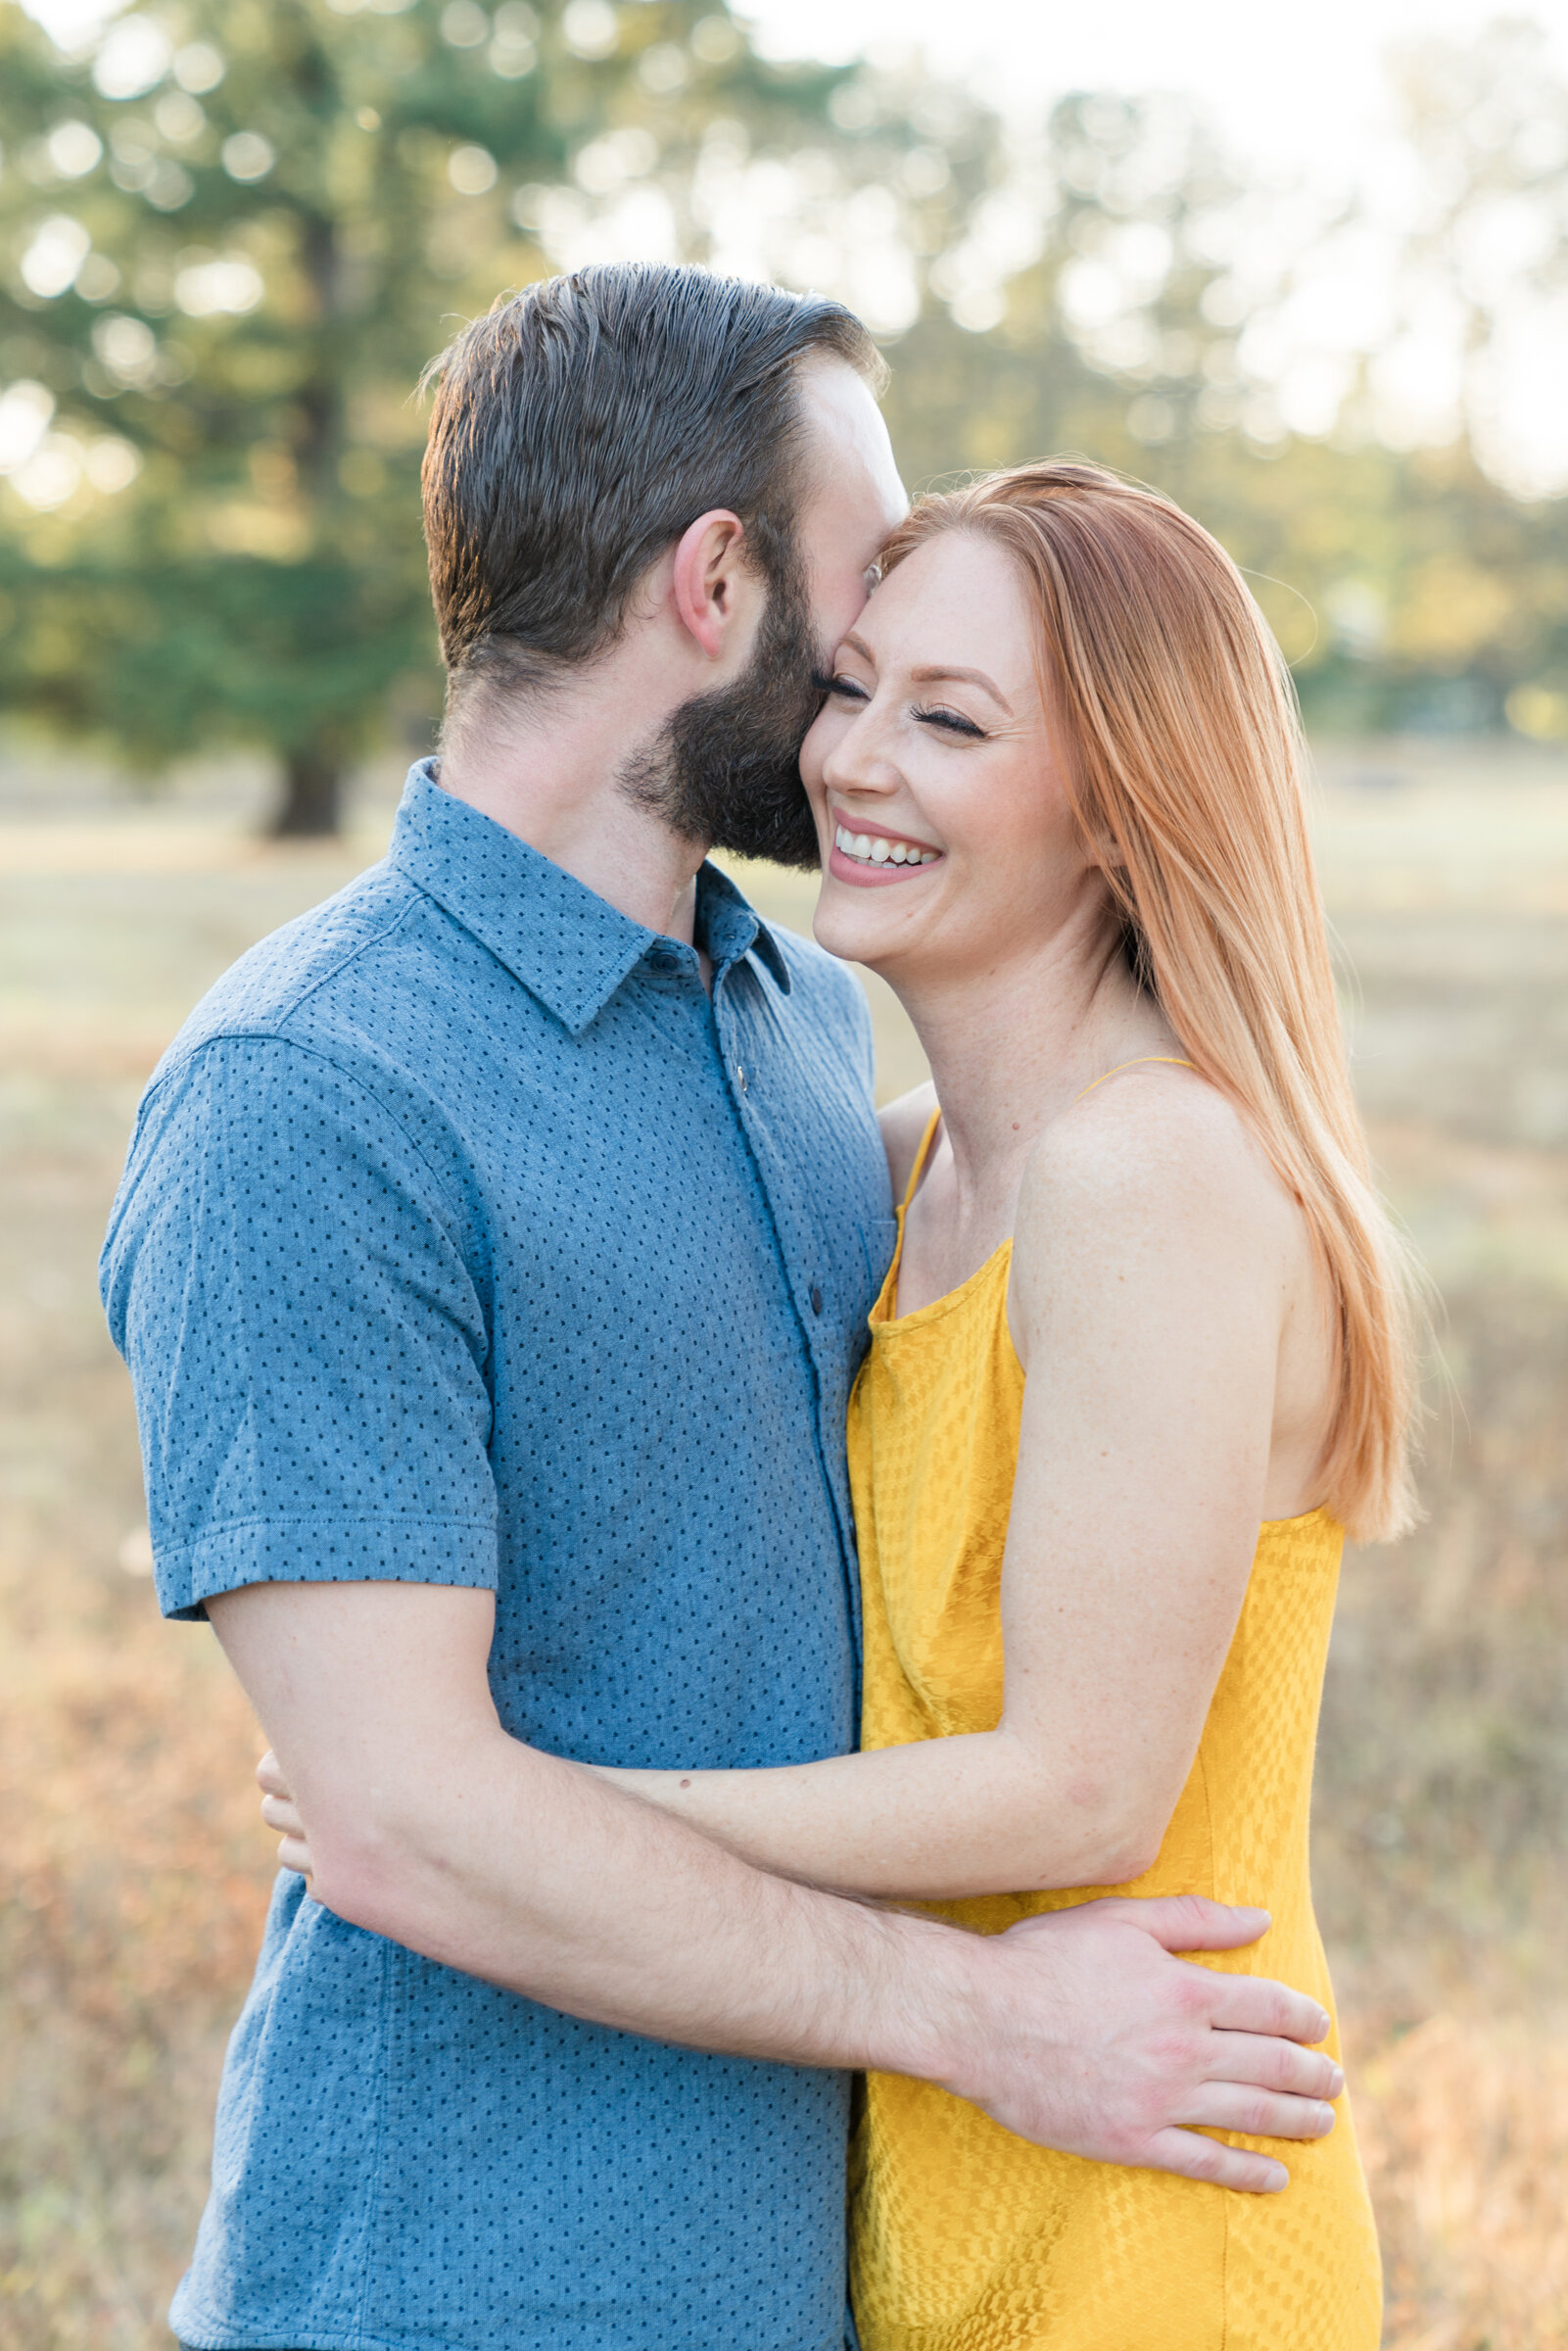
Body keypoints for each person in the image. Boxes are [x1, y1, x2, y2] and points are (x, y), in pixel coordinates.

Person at [104, 268, 1344, 2351]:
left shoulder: (797, 1033)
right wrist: (988, 2022)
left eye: (938, 699)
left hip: (853, 2248)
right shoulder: (310, 1098)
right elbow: (400, 1826)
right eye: (862, 607)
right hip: (458, 2274)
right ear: (715, 583)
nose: (868, 686)